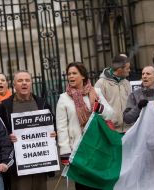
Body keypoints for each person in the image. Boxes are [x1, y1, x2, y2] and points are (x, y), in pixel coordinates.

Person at [56, 62, 113, 190]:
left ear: (83, 76)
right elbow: (62, 127)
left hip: (98, 146)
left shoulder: (95, 92)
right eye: (69, 74)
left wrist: (100, 108)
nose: (71, 76)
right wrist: (65, 151)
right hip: (79, 149)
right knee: (83, 184)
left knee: (99, 184)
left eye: (74, 73)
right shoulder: (63, 98)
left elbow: (110, 114)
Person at [0, 70, 56, 190]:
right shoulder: (5, 106)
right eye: (20, 81)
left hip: (40, 161)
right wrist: (8, 137)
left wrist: (54, 133)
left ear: (31, 84)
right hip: (18, 164)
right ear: (14, 85)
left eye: (27, 80)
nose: (24, 83)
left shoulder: (42, 103)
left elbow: (53, 125)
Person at [95, 54, 131, 132]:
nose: (129, 70)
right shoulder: (101, 84)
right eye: (127, 68)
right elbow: (97, 108)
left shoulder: (126, 83)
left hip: (128, 130)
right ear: (120, 69)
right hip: (110, 130)